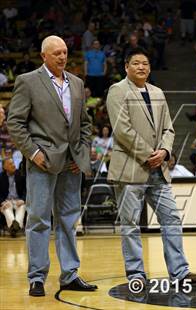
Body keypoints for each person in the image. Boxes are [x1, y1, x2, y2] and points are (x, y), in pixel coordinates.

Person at [106, 48, 196, 288]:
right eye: (136, 63)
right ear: (126, 67)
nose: (141, 67)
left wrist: (165, 152)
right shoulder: (117, 91)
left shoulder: (158, 93)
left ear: (150, 68)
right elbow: (122, 129)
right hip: (131, 168)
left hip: (158, 169)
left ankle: (179, 273)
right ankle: (136, 275)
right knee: (130, 224)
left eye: (145, 63)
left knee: (171, 218)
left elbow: (168, 129)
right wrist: (149, 154)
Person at [6, 35, 97, 296]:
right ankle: (37, 277)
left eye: (65, 52)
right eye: (56, 52)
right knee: (38, 219)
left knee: (68, 220)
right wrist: (33, 152)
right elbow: (15, 122)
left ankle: (69, 274)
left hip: (71, 164)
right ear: (43, 56)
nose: (62, 56)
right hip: (42, 162)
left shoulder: (77, 83)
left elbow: (86, 124)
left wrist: (81, 153)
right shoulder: (28, 81)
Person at [0, 158, 26, 237]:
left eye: (13, 163)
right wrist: (2, 202)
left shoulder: (20, 174)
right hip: (7, 200)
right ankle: (16, 227)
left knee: (22, 207)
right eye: (10, 164)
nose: (14, 165)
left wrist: (23, 200)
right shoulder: (1, 177)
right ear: (5, 167)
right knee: (6, 208)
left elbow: (26, 190)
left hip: (18, 200)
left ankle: (12, 228)